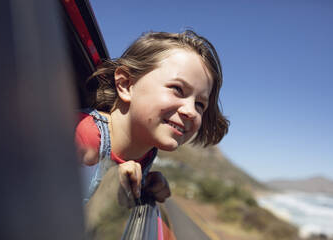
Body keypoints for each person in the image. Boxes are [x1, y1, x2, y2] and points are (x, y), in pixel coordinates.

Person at [75, 30, 229, 207]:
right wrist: (107, 186)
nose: (191, 112)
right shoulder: (81, 136)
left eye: (200, 104)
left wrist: (146, 183)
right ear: (125, 85)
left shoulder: (147, 154)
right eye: (177, 89)